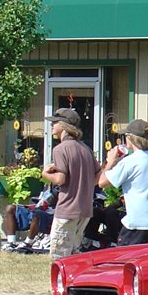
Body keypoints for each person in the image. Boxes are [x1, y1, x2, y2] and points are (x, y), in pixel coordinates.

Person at [99, 119, 148, 246]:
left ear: (129, 138)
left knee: (126, 262)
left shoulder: (130, 161)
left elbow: (102, 182)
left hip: (137, 225)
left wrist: (111, 161)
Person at [42, 108, 100, 258]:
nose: (52, 125)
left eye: (54, 122)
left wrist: (45, 174)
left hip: (67, 209)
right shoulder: (85, 148)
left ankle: (60, 282)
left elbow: (60, 179)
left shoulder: (60, 149)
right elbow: (97, 178)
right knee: (75, 255)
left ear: (64, 125)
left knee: (59, 257)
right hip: (84, 210)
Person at [2, 186, 56, 251]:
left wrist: (40, 206)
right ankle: (11, 243)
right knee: (10, 208)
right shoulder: (48, 186)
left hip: (51, 214)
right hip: (38, 209)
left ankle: (27, 243)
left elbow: (50, 202)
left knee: (37, 213)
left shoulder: (62, 187)